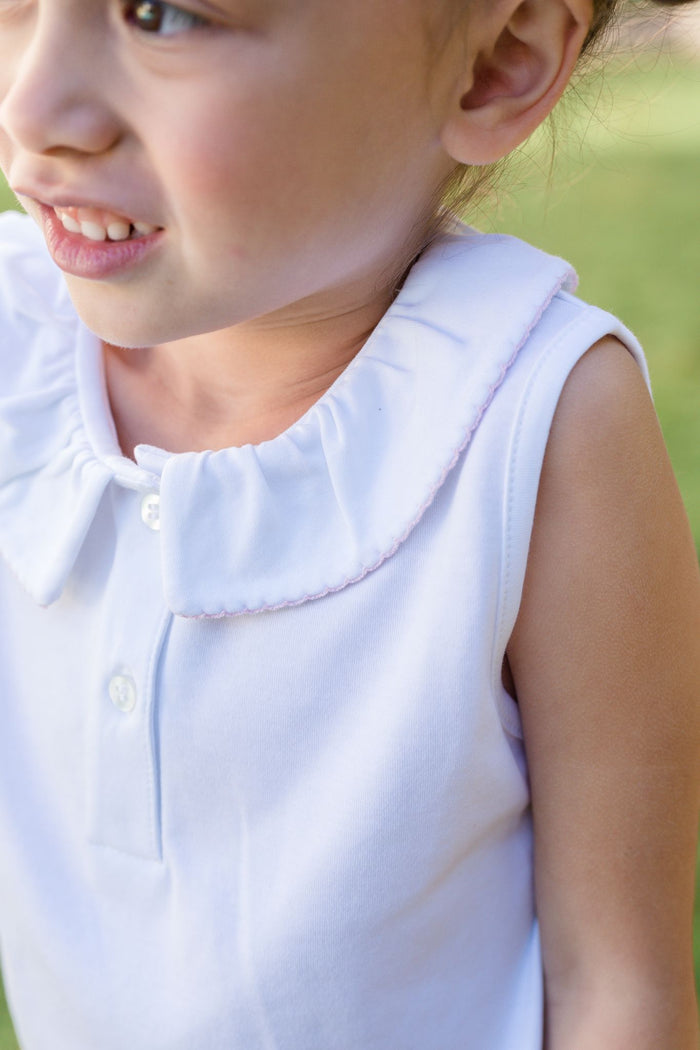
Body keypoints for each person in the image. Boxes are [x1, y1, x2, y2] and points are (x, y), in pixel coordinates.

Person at [0, 0, 698, 1046]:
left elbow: (618, 988)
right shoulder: (18, 359)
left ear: (495, 66)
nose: (34, 107)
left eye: (160, 16)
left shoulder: (536, 426)